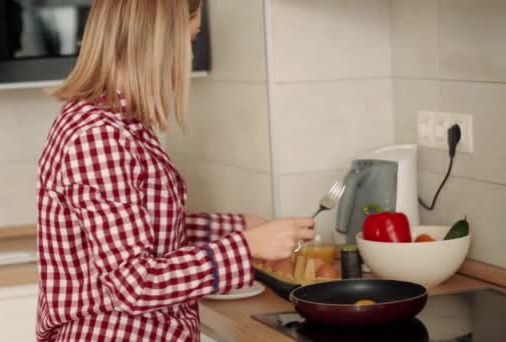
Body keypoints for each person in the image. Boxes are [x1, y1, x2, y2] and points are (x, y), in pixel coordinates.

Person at [35, 1, 315, 341]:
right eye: (191, 39)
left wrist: (240, 226)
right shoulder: (101, 135)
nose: (189, 55)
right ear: (160, 40)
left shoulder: (108, 121)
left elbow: (143, 231)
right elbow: (134, 285)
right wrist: (244, 246)